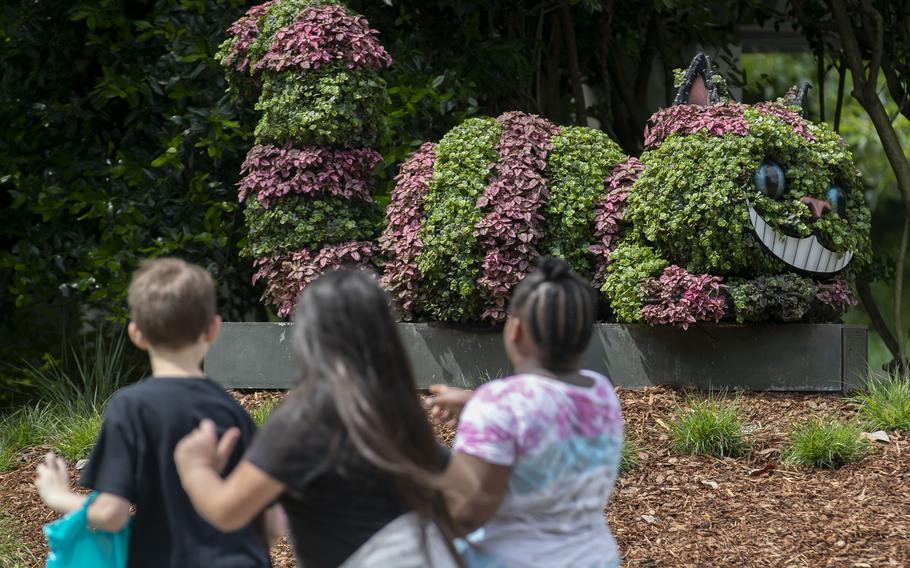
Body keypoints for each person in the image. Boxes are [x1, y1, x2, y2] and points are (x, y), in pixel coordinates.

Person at [173, 269, 467, 568]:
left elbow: (228, 512)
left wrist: (195, 467)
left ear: (309, 337)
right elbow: (468, 495)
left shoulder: (303, 419)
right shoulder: (398, 413)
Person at [34, 258, 277, 568]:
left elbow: (111, 515)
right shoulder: (234, 413)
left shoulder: (131, 408)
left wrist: (59, 497)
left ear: (136, 333)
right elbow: (270, 526)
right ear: (213, 329)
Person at [428, 257, 624, 567]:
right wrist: (476, 400)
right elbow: (550, 409)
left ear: (515, 329)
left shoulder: (499, 406)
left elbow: (468, 510)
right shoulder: (600, 392)